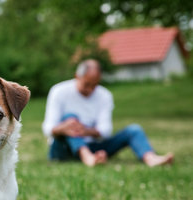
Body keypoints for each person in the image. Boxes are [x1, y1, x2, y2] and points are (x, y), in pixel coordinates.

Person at [42, 59, 174, 167]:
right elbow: (47, 128)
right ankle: (87, 157)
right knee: (71, 119)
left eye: (94, 85)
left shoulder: (105, 95)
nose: (90, 89)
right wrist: (65, 128)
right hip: (63, 148)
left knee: (134, 130)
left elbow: (106, 130)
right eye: (87, 84)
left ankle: (150, 158)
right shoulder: (59, 91)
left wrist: (86, 131)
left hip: (93, 145)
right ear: (77, 76)